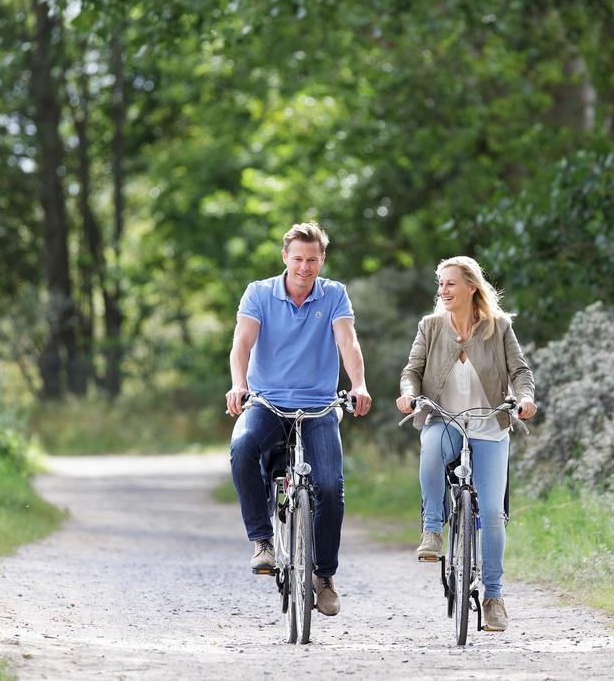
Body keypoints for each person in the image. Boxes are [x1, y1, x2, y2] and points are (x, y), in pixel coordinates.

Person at [226, 222, 372, 617]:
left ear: (322, 259)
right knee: (242, 447)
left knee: (329, 486)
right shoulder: (259, 293)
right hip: (268, 402)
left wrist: (358, 384)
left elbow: (347, 341)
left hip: (320, 405)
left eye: (312, 260)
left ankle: (323, 576)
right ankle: (262, 540)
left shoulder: (334, 294)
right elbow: (242, 343)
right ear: (284, 258)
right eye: (297, 259)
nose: (305, 267)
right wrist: (239, 385)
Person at [396, 255, 535, 632]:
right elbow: (413, 371)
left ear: (471, 287)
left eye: (450, 283)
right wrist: (408, 394)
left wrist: (525, 399)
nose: (442, 290)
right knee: (430, 452)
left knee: (491, 513)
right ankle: (432, 530)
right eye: (440, 284)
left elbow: (520, 372)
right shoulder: (430, 326)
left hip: (489, 425)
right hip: (444, 418)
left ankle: (493, 597)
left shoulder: (498, 327)